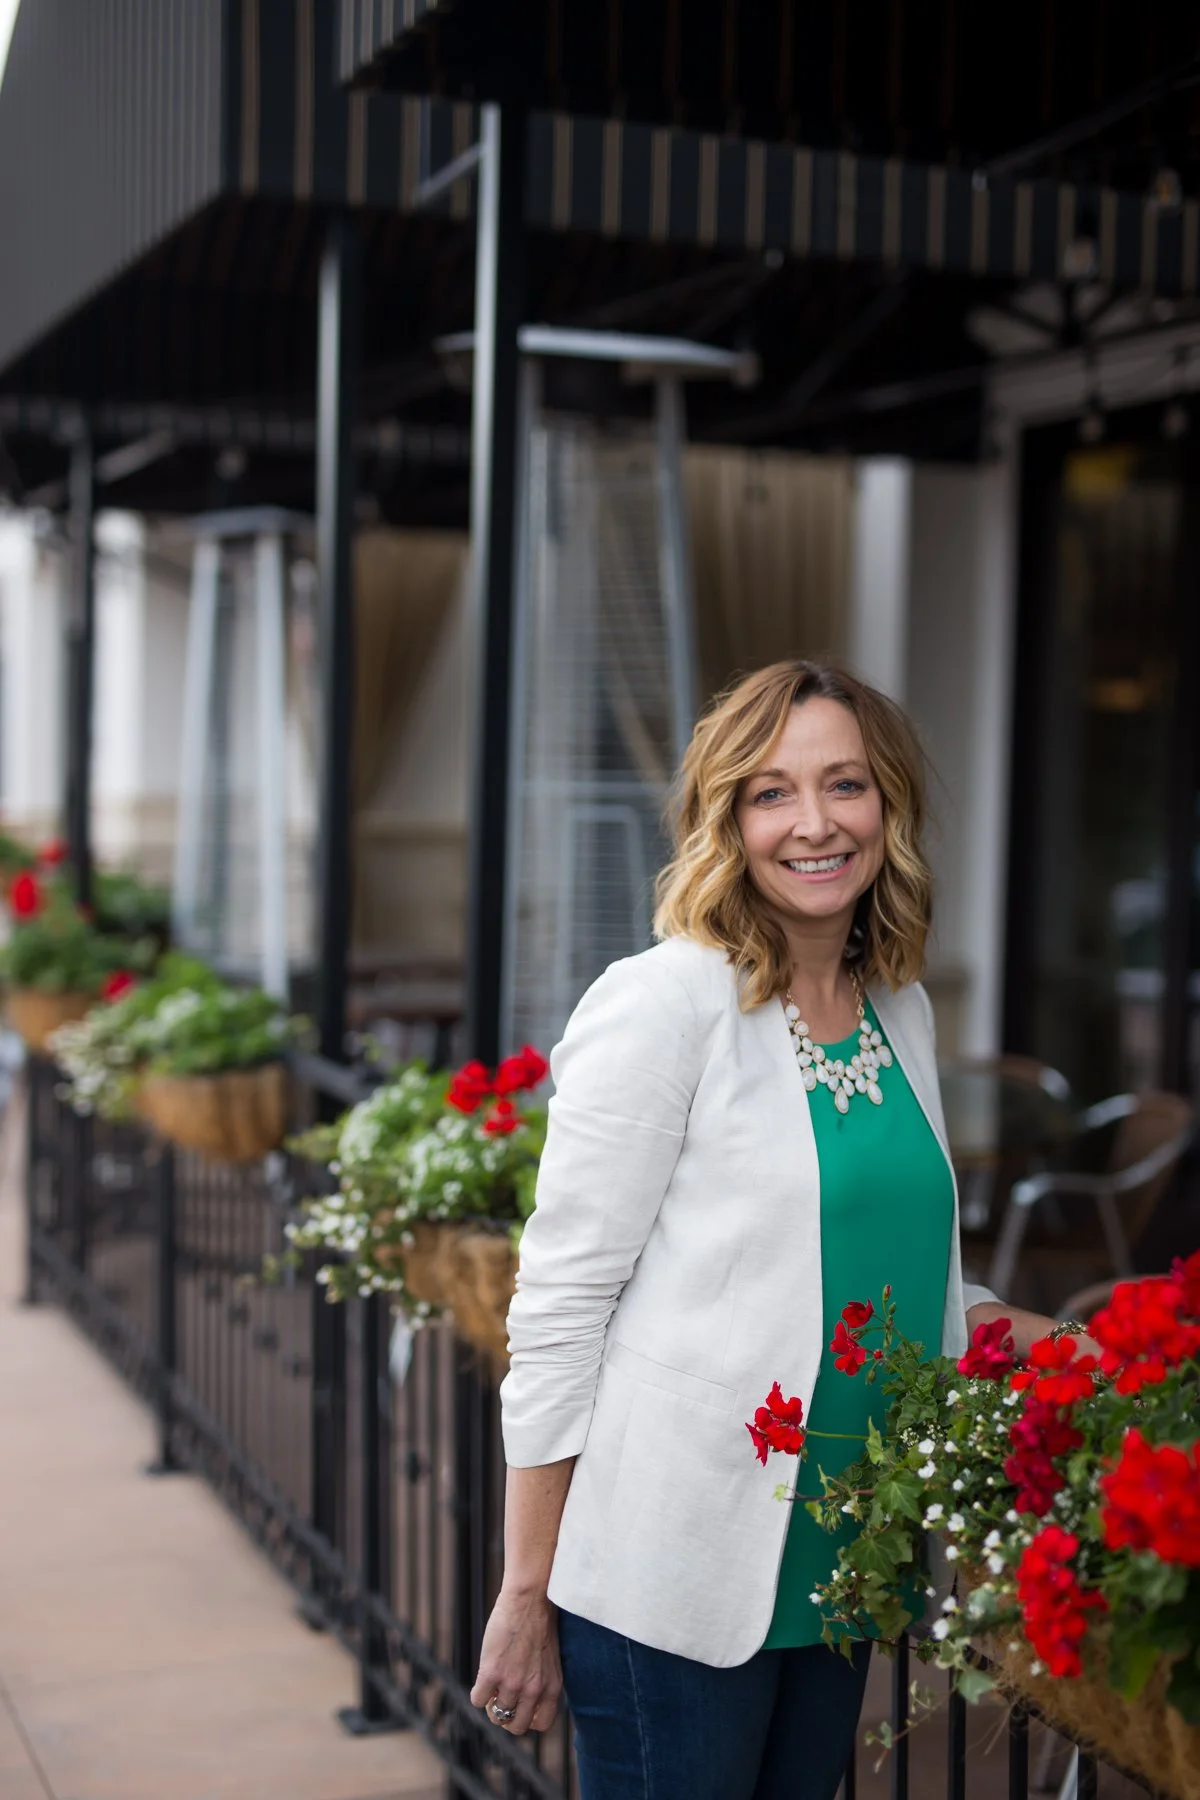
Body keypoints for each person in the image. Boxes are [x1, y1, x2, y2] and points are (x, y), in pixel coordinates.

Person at [471, 659, 1082, 1799]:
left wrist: (1091, 1356)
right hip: (672, 1577)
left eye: (844, 785)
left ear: (886, 807)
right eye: (772, 792)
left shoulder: (898, 1005)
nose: (814, 824)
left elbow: (924, 1294)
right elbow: (559, 1309)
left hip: (843, 1566)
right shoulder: (665, 1003)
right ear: (726, 818)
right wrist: (524, 1590)